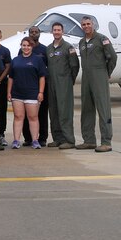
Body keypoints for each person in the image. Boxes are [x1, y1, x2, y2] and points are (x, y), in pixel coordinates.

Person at [77, 15, 118, 152]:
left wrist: (107, 72)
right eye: (84, 24)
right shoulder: (82, 42)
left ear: (93, 24)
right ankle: (89, 140)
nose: (86, 26)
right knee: (86, 109)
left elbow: (112, 56)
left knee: (103, 108)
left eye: (88, 24)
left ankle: (106, 141)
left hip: (99, 75)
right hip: (86, 77)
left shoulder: (102, 39)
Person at [46, 21, 80, 150]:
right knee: (53, 112)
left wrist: (68, 81)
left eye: (59, 30)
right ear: (52, 32)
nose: (56, 32)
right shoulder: (49, 48)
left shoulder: (68, 47)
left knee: (65, 112)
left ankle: (69, 140)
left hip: (64, 84)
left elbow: (75, 66)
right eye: (54, 30)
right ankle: (58, 139)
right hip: (52, 85)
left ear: (62, 32)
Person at [9, 37, 46, 149]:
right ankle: (16, 140)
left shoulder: (37, 60)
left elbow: (42, 77)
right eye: (24, 45)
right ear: (21, 46)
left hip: (32, 94)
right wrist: (9, 92)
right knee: (18, 117)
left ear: (32, 47)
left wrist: (41, 92)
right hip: (17, 94)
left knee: (33, 117)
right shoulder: (15, 60)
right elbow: (11, 78)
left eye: (28, 45)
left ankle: (35, 140)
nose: (26, 47)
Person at [19, 26, 49, 146]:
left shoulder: (44, 50)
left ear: (39, 34)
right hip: (26, 87)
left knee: (41, 113)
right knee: (27, 114)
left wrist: (42, 89)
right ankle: (28, 138)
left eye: (36, 32)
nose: (34, 34)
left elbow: (47, 68)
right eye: (32, 32)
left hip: (40, 87)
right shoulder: (22, 49)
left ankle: (42, 138)